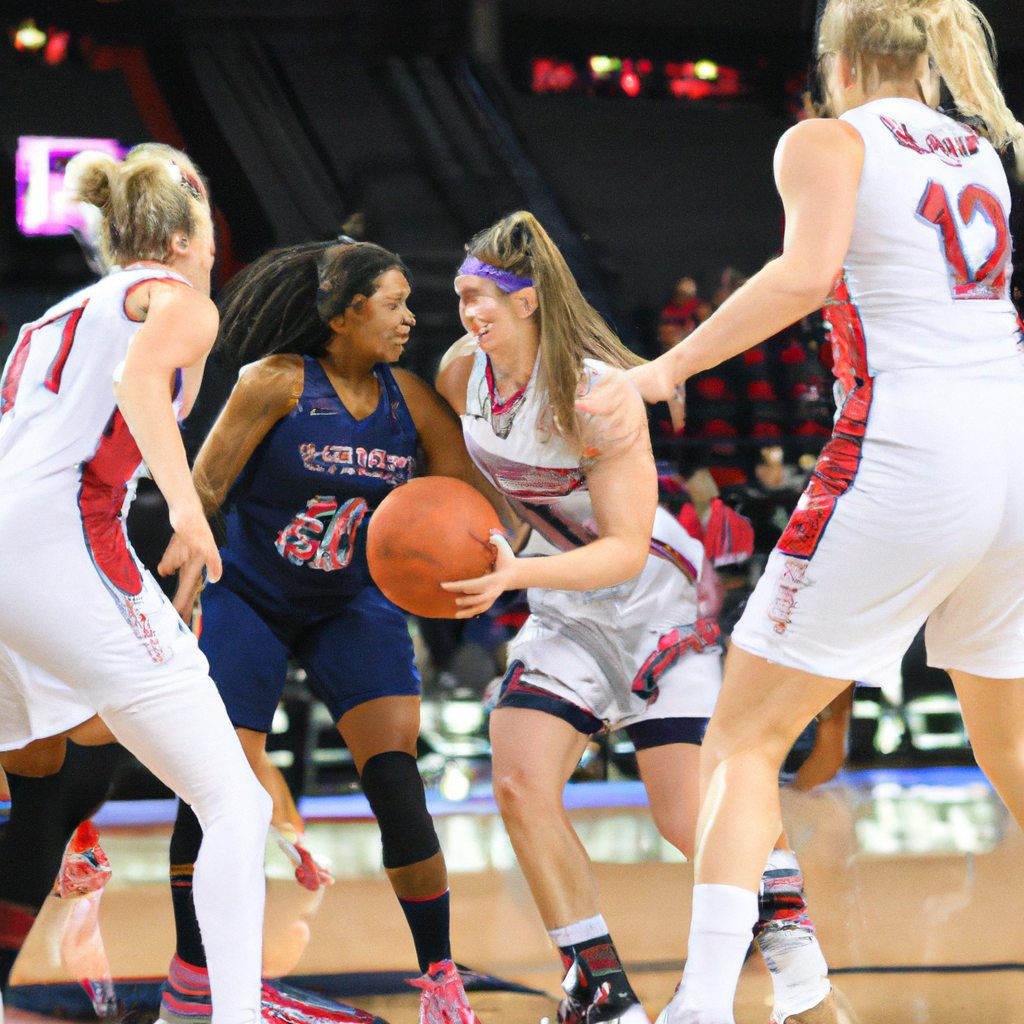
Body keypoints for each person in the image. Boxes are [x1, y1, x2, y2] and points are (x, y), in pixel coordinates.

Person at [580, 2, 1024, 1021]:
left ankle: (700, 1004)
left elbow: (803, 274)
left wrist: (666, 368)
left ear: (838, 60)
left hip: (911, 451)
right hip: (1005, 447)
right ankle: (787, 994)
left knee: (738, 739)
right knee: (1006, 744)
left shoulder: (826, 139)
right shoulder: (974, 149)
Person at [437, 212, 833, 1024]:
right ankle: (598, 986)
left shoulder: (595, 395)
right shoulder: (459, 372)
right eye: (461, 296)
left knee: (685, 816)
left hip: (651, 595)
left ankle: (785, 918)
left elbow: (620, 549)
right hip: (560, 595)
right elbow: (509, 492)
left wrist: (515, 571)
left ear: (529, 303)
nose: (469, 313)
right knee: (516, 780)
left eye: (483, 298)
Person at [162, 240, 514, 1024]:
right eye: (394, 305)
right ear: (346, 313)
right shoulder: (276, 383)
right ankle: (194, 974)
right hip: (249, 594)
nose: (409, 320)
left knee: (395, 780)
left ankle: (441, 980)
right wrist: (173, 597)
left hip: (352, 600)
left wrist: (504, 548)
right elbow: (205, 490)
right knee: (218, 789)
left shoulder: (410, 399)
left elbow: (468, 494)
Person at [0, 144, 272, 1024]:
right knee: (235, 800)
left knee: (43, 780)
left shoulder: (55, 315)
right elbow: (140, 381)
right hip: (55, 545)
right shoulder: (183, 301)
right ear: (195, 234)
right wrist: (190, 513)